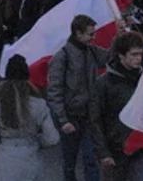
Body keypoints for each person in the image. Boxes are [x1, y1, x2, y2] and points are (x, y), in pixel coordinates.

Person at [46, 14, 108, 181]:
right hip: (70, 117)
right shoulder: (62, 57)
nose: (93, 37)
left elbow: (112, 57)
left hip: (89, 116)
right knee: (69, 162)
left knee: (91, 159)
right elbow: (54, 91)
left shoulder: (92, 52)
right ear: (78, 33)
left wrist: (121, 36)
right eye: (90, 34)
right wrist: (63, 120)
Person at [0, 54, 60, 180]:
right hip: (31, 158)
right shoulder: (39, 104)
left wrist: (0, 142)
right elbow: (52, 138)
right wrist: (37, 142)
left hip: (6, 159)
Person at [89, 32, 143, 181]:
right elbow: (95, 120)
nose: (138, 59)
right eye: (133, 55)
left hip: (142, 149)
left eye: (140, 54)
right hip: (116, 151)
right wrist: (103, 153)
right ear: (121, 56)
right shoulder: (103, 84)